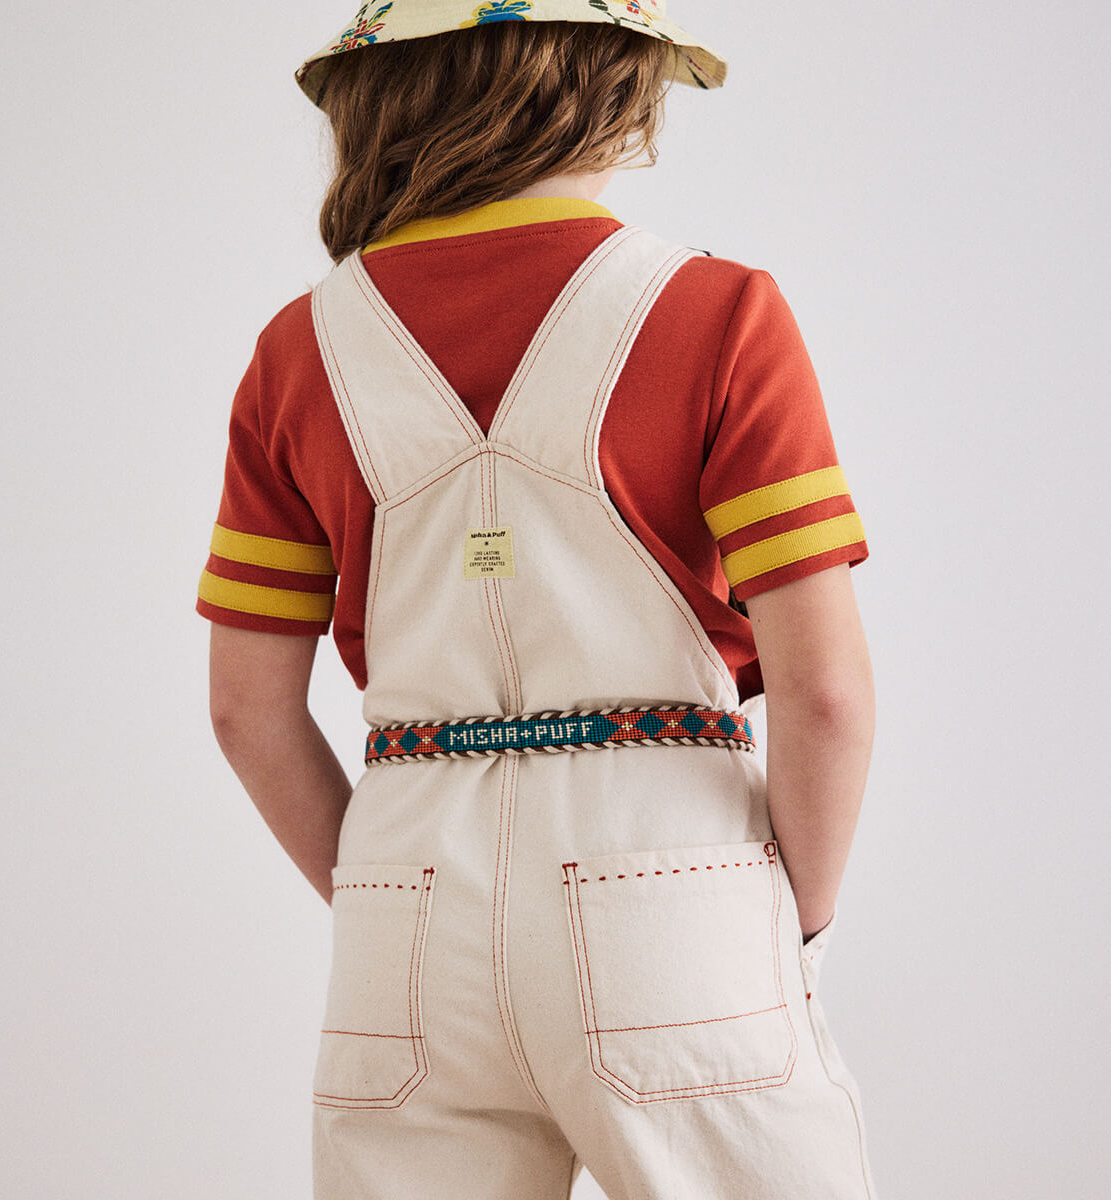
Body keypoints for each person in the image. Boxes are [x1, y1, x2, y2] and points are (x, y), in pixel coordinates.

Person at [197, 3, 878, 1197]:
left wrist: (384, 901)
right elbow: (824, 694)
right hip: (670, 875)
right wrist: (796, 917)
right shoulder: (719, 313)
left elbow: (246, 712)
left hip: (406, 891)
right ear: (613, 82)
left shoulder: (297, 351)